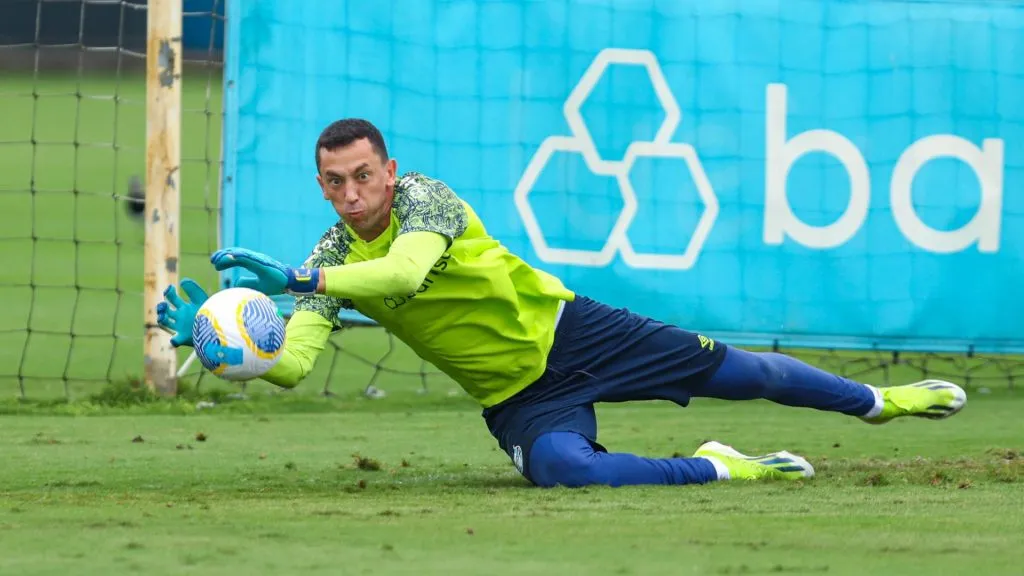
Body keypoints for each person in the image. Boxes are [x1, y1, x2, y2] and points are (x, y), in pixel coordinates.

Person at [156, 118, 967, 488]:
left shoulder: (427, 202)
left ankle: (877, 403)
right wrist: (228, 343)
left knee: (745, 370)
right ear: (322, 185)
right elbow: (296, 364)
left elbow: (404, 277)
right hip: (517, 398)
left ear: (389, 169)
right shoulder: (328, 256)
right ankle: (721, 466)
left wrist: (298, 284)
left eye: (363, 174)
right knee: (563, 472)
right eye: (334, 181)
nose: (351, 192)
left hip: (575, 332)